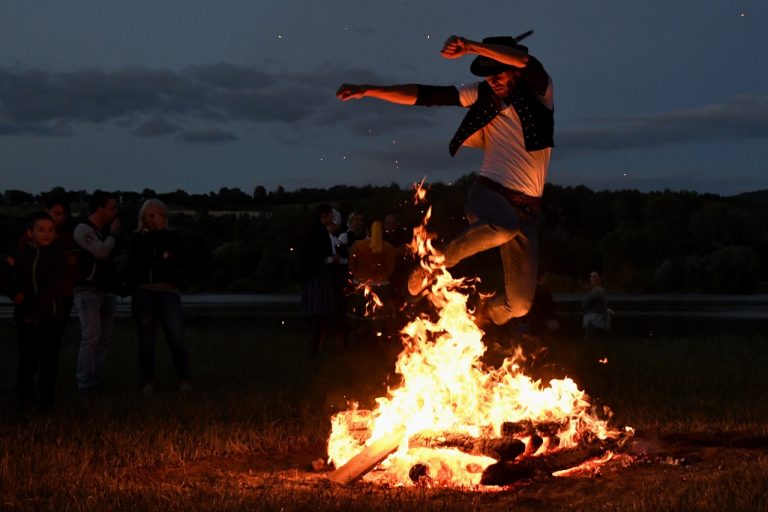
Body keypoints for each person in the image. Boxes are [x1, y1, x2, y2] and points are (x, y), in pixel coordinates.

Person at [337, 31, 554, 328]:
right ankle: (432, 265)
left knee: (518, 306)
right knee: (503, 226)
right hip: (489, 194)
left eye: (499, 73)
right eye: (488, 76)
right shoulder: (480, 95)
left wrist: (470, 47)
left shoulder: (540, 91)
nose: (493, 81)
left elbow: (523, 60)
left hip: (528, 210)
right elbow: (426, 95)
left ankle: (482, 315)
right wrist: (370, 89)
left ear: (514, 70)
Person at [3, 213, 76, 410]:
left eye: (50, 230)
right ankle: (24, 397)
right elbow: (4, 276)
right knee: (28, 358)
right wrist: (14, 293)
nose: (46, 233)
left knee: (49, 359)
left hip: (50, 316)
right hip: (26, 316)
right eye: (41, 229)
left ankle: (47, 400)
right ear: (30, 232)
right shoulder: (20, 256)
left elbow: (55, 285)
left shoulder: (57, 257)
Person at [128, 199, 191, 396]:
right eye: (152, 215)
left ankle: (184, 380)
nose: (157, 219)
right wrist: (160, 255)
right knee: (147, 339)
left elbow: (177, 260)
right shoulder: (136, 238)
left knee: (176, 338)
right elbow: (140, 263)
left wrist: (163, 249)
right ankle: (148, 382)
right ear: (143, 218)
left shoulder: (173, 237)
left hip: (169, 292)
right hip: (145, 291)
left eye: (161, 215)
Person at [72, 190, 121, 392]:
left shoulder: (102, 231)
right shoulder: (84, 229)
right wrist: (113, 235)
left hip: (106, 290)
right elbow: (101, 252)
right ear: (100, 208)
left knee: (103, 338)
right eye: (112, 208)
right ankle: (85, 382)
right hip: (88, 290)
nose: (115, 212)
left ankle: (97, 380)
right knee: (91, 335)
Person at [301, 204, 344, 358]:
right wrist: (331, 259)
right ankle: (313, 351)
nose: (333, 218)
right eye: (331, 215)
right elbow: (314, 258)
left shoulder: (317, 230)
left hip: (319, 276)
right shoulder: (317, 232)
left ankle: (317, 349)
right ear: (325, 215)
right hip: (317, 278)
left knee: (322, 317)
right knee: (319, 316)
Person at [346, 220, 397, 342]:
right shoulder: (388, 247)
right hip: (382, 285)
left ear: (367, 230)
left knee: (360, 314)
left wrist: (359, 276)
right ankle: (381, 339)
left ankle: (360, 338)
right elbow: (391, 269)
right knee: (381, 316)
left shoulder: (358, 245)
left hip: (361, 285)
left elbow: (351, 267)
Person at [582, 270, 610, 339]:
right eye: (591, 276)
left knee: (592, 340)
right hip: (593, 319)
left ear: (600, 279)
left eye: (594, 277)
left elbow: (585, 304)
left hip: (594, 320)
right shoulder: (595, 291)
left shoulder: (598, 291)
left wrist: (606, 320)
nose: (592, 278)